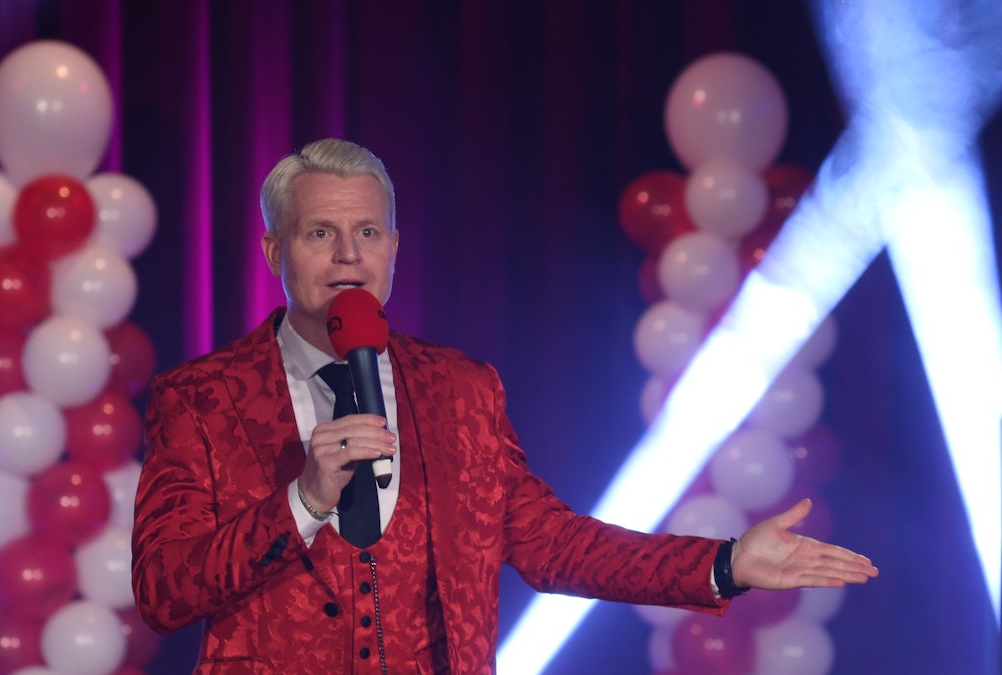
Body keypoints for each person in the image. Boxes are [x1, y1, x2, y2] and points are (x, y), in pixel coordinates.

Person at [131, 138, 878, 674]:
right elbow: (165, 590)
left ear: (394, 247)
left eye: (366, 234)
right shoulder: (200, 399)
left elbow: (553, 543)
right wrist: (300, 500)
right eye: (320, 234)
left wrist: (724, 563)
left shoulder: (460, 390)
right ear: (275, 252)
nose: (347, 257)